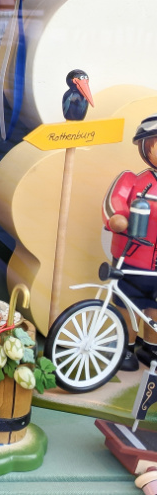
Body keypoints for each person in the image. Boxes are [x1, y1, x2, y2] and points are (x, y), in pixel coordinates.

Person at [103, 114, 157, 370]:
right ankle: (125, 348)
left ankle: (152, 348)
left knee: (155, 310)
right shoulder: (133, 181)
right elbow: (113, 202)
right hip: (132, 258)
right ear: (146, 147)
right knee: (128, 304)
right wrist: (118, 218)